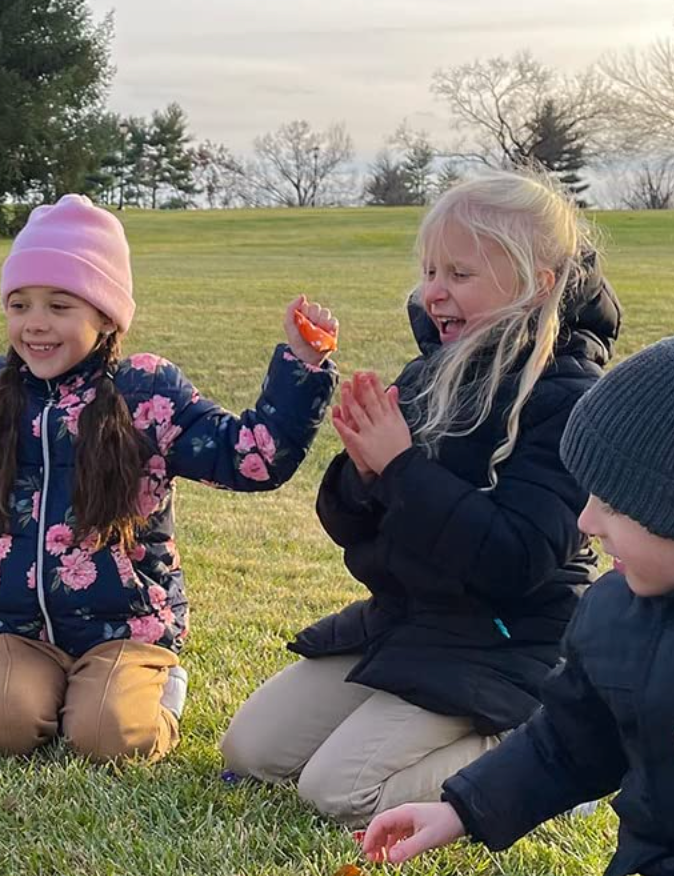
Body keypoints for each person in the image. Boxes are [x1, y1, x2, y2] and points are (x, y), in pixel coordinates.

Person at [0, 193, 337, 762]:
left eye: (60, 306)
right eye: (19, 305)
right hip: (12, 628)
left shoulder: (147, 392)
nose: (35, 324)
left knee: (109, 737)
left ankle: (158, 688)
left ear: (106, 315)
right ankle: (37, 688)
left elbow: (251, 458)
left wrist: (301, 369)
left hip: (125, 628)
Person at [222, 169, 620, 825]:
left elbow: (516, 557)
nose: (434, 291)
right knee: (251, 752)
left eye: (460, 275)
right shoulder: (430, 373)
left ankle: (553, 761)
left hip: (511, 642)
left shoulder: (568, 400)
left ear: (537, 283)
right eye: (431, 271)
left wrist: (402, 469)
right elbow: (358, 532)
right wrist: (365, 475)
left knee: (336, 791)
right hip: (411, 624)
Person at [362, 337, 674, 876]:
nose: (589, 521)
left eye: (617, 502)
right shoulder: (621, 610)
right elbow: (570, 740)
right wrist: (460, 808)